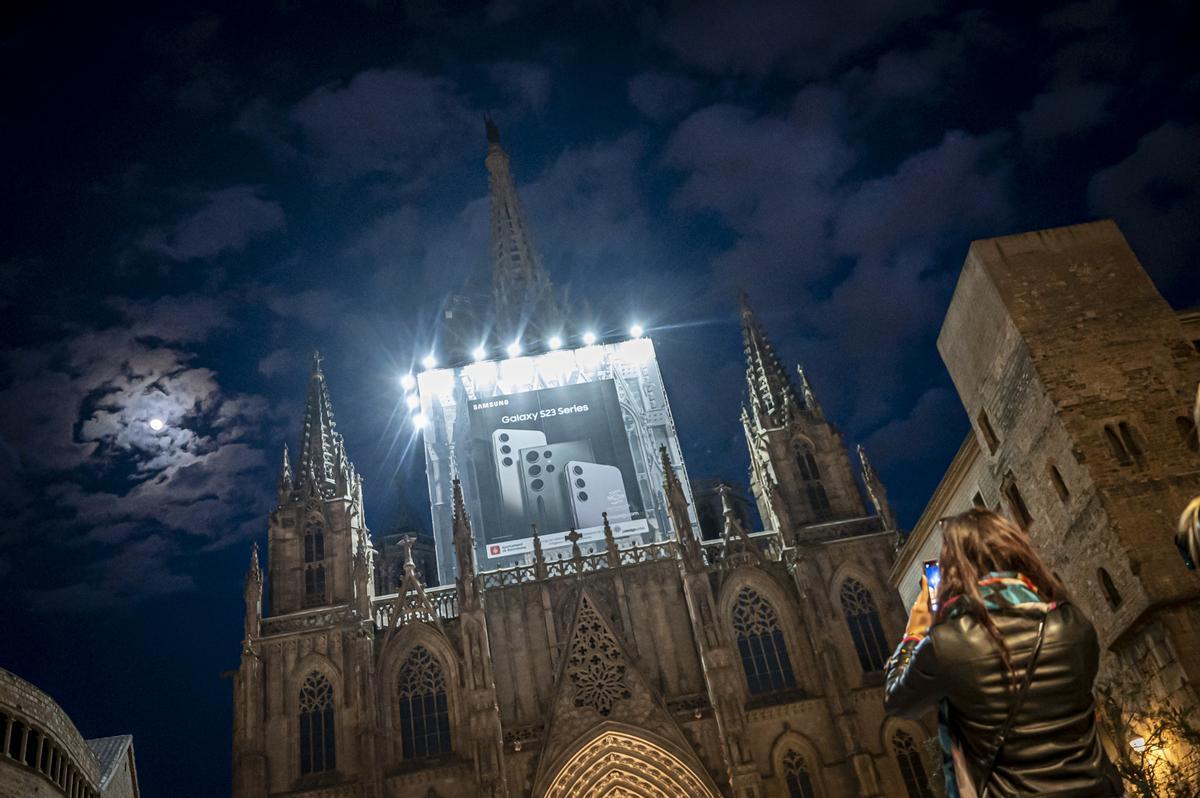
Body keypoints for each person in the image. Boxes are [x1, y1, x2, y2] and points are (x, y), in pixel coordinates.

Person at [885, 509, 1123, 797]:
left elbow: (897, 701)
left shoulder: (946, 644)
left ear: (954, 569)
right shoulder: (1072, 623)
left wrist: (913, 635)